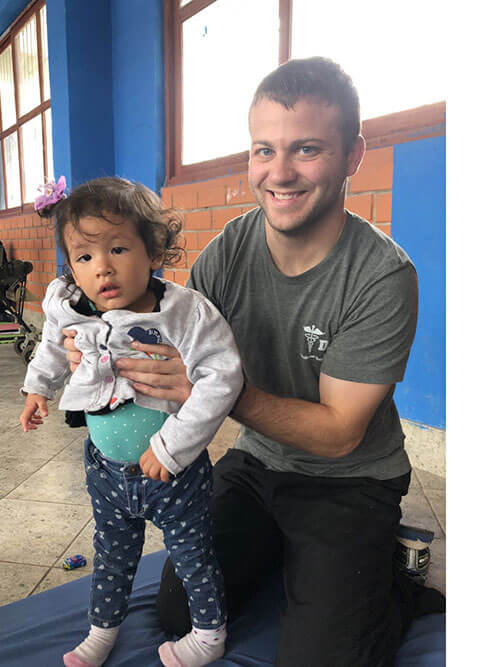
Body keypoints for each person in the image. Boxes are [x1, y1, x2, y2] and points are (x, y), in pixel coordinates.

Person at [64, 57, 443, 666]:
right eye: (264, 149)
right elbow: (164, 349)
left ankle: (391, 584)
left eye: (308, 149)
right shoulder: (227, 253)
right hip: (259, 461)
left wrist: (212, 389)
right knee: (179, 612)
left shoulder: (382, 276)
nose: (280, 172)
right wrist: (89, 342)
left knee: (322, 658)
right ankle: (300, 560)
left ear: (353, 155)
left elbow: (340, 434)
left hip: (349, 481)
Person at [19, 177, 244, 667]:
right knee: (113, 556)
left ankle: (209, 634)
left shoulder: (185, 312)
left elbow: (222, 378)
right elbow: (53, 343)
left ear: (155, 249)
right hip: (107, 470)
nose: (102, 268)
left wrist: (171, 448)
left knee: (192, 559)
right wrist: (39, 388)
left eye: (118, 248)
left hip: (173, 473)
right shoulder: (71, 305)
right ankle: (103, 629)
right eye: (84, 257)